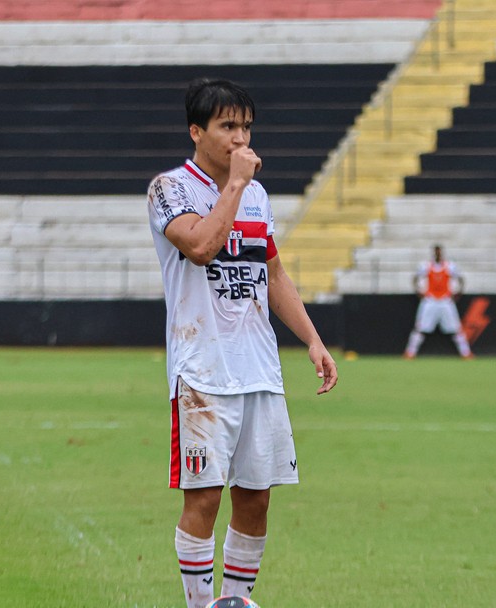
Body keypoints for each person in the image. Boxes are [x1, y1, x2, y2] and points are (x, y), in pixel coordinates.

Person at [146, 78, 338, 608]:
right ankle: (200, 604)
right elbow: (203, 247)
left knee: (256, 499)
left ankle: (234, 601)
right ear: (196, 132)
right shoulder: (170, 189)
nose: (240, 137)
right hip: (203, 370)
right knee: (205, 498)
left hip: (259, 368)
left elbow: (272, 273)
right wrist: (233, 184)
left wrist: (313, 341)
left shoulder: (256, 194)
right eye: (227, 126)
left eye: (246, 126)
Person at [403, 244, 473, 359]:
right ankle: (410, 352)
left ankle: (466, 353)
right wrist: (418, 291)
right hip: (430, 301)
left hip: (445, 300)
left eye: (439, 252)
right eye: (436, 252)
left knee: (456, 328)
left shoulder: (450, 266)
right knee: (420, 327)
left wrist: (458, 292)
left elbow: (461, 278)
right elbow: (415, 277)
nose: (438, 254)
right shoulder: (426, 266)